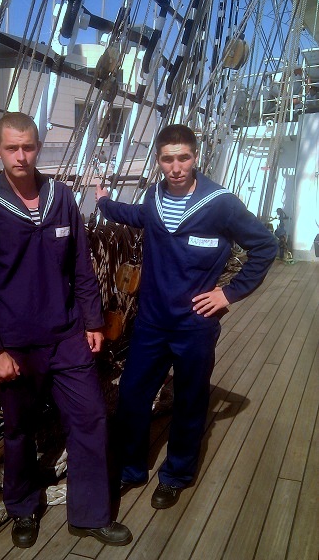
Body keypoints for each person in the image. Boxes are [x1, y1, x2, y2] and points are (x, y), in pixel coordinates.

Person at [0, 112, 132, 548]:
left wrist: (92, 319)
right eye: (12, 148)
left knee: (90, 418)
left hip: (67, 335)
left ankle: (89, 515)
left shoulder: (61, 197)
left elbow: (80, 264)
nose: (21, 156)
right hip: (14, 345)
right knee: (19, 430)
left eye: (28, 147)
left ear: (38, 148)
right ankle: (22, 507)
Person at [95, 124, 278, 510]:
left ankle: (176, 473)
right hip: (151, 322)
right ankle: (131, 467)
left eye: (183, 158)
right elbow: (136, 215)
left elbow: (265, 245)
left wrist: (228, 293)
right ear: (158, 160)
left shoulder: (220, 203)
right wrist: (104, 202)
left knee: (191, 401)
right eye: (167, 159)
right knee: (131, 395)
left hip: (195, 325)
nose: (176, 167)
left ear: (196, 158)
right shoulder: (153, 196)